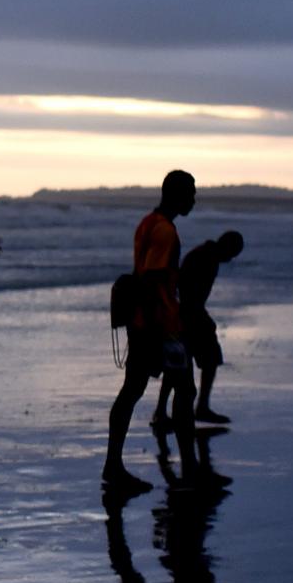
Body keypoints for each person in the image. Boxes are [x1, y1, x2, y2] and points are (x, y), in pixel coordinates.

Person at [105, 171, 223, 496]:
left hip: (143, 323)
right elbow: (153, 280)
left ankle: (113, 466)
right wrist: (165, 328)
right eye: (191, 194)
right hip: (158, 325)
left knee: (134, 392)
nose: (194, 200)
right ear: (177, 195)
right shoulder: (166, 231)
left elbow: (140, 274)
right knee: (184, 392)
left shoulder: (147, 223)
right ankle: (188, 472)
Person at [155, 229, 243, 430]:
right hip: (186, 316)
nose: (231, 259)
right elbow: (189, 294)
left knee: (178, 365)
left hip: (185, 314)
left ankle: (164, 411)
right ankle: (197, 407)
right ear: (227, 248)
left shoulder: (206, 255)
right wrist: (201, 318)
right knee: (198, 360)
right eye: (232, 254)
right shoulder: (205, 258)